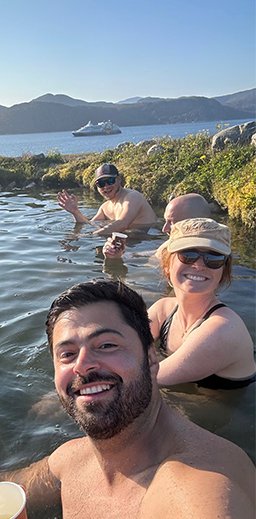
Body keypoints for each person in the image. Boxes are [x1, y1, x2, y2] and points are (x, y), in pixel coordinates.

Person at [0, 280, 255, 519]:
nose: (83, 365)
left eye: (107, 345)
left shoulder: (198, 492)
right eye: (67, 354)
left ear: (151, 358)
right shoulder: (71, 459)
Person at [148, 218, 256, 388]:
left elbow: (143, 384)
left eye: (213, 259)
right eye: (187, 255)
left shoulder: (223, 329)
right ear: (167, 264)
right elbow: (124, 346)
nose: (199, 265)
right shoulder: (163, 309)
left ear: (223, 272)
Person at [57, 163, 157, 236]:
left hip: (148, 236)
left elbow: (122, 224)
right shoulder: (105, 207)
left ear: (119, 179)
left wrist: (90, 236)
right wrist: (75, 212)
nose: (106, 187)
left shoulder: (132, 197)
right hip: (127, 239)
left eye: (110, 181)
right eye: (101, 184)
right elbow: (90, 226)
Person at [103, 192, 211, 258]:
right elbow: (155, 255)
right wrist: (118, 255)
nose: (165, 229)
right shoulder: (172, 244)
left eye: (172, 223)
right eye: (165, 221)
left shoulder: (211, 256)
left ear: (196, 224)